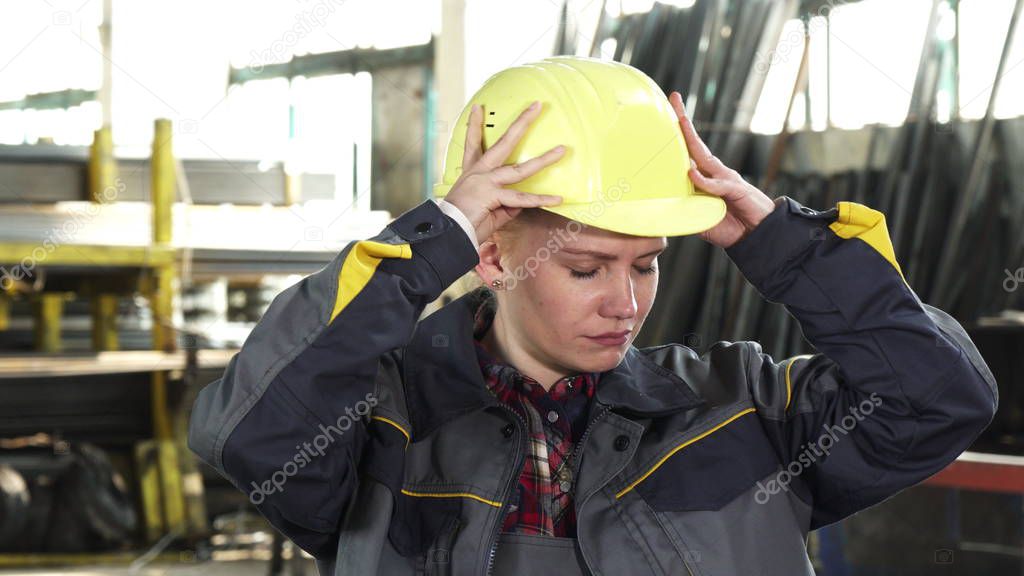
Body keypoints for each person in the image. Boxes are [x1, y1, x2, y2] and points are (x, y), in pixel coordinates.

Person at [188, 57, 998, 576]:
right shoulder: (379, 424)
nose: (628, 302)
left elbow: (940, 399)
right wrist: (429, 241)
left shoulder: (744, 411)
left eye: (645, 264)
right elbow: (249, 431)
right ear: (493, 256)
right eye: (586, 268)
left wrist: (789, 246)